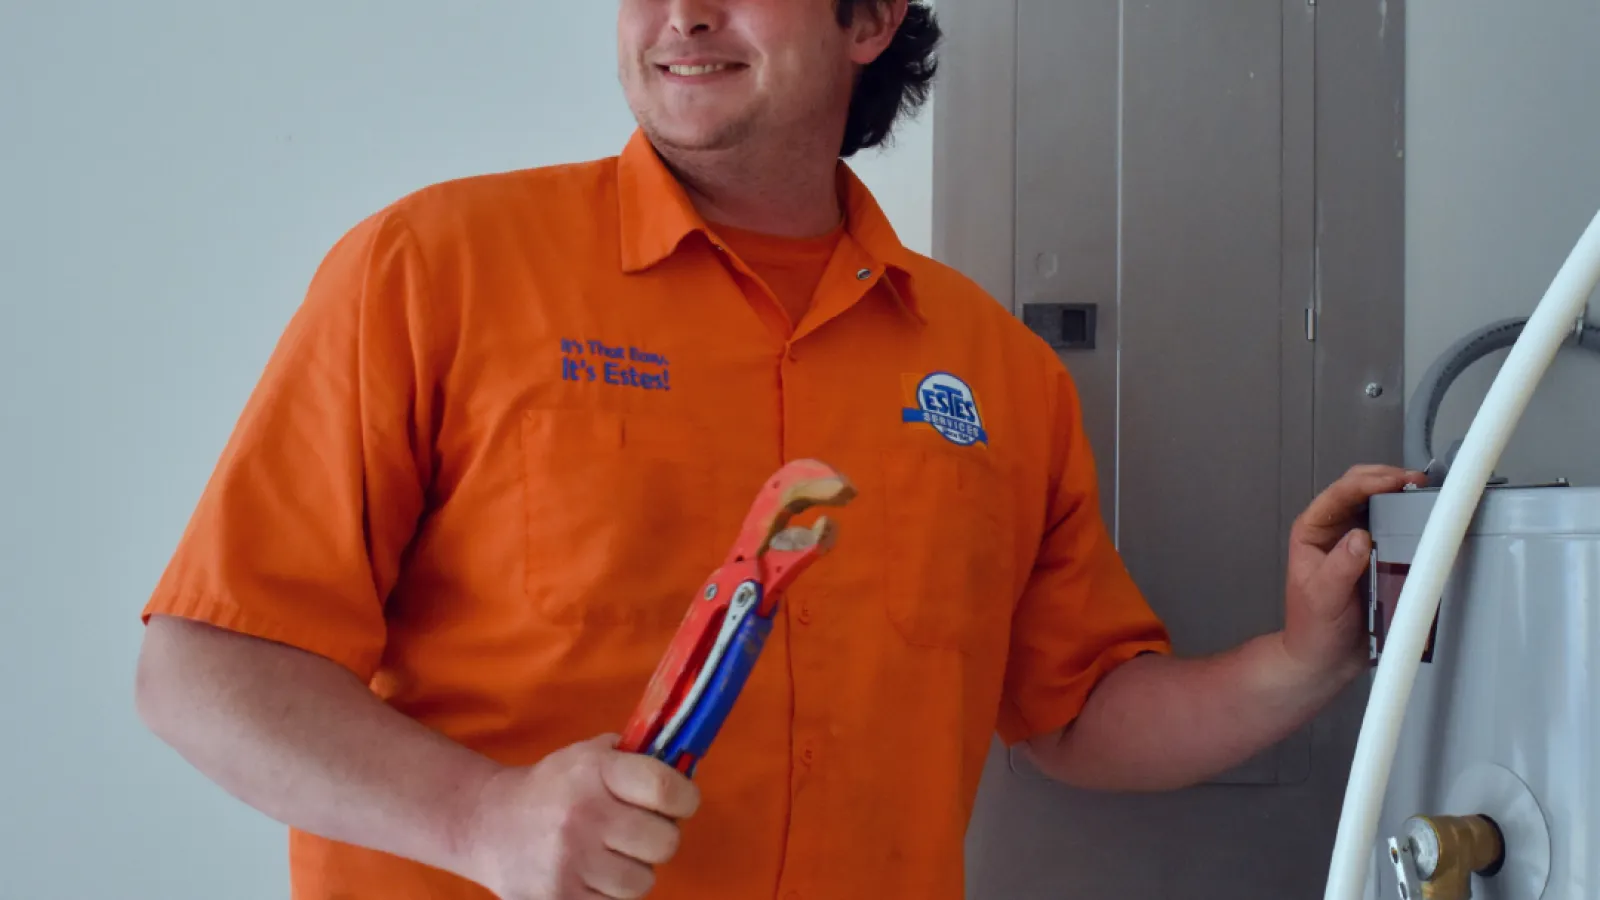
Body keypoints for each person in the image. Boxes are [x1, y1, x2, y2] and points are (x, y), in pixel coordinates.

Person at [133, 1, 1426, 898]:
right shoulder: (434, 273)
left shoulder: (993, 375)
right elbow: (203, 667)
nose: (681, 14)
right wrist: (481, 819)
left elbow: (1075, 714)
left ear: (866, 20)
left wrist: (1305, 660)